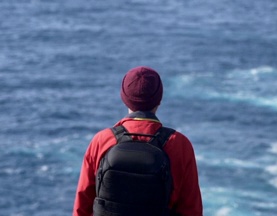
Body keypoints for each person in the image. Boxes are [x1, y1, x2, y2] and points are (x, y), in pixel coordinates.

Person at [73, 66, 203, 216]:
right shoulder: (179, 144)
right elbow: (191, 210)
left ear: (124, 99)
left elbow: (82, 206)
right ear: (159, 100)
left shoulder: (102, 141)